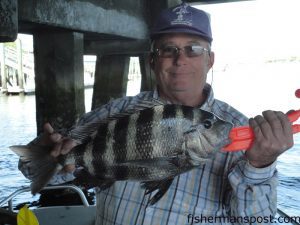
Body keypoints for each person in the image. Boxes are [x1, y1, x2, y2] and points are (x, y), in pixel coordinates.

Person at [19, 3, 294, 225]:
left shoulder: (237, 130)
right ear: (152, 60)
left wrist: (259, 165)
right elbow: (41, 172)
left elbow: (254, 220)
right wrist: (44, 153)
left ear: (210, 60)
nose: (180, 58)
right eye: (168, 49)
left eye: (193, 49)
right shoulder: (116, 111)